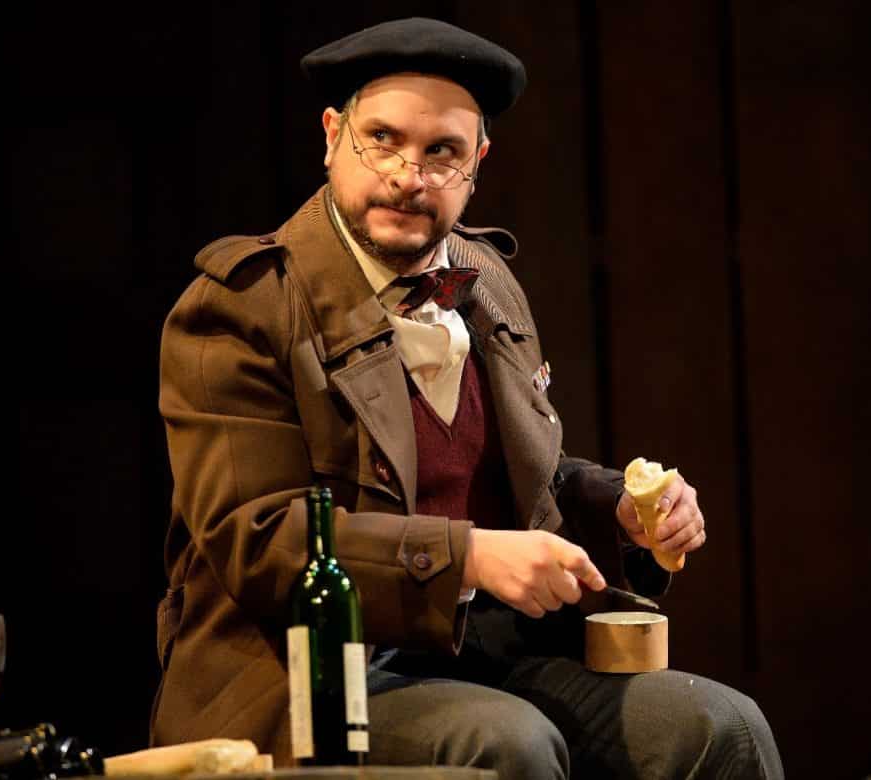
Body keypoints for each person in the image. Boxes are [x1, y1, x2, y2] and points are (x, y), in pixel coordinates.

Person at [152, 16, 784, 779]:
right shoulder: (241, 307)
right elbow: (259, 541)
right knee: (504, 744)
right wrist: (470, 558)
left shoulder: (486, 281)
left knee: (719, 728)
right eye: (381, 140)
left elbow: (520, 480)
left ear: (476, 163)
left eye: (441, 152)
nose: (408, 175)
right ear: (332, 137)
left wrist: (621, 511)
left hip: (490, 651)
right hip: (313, 670)